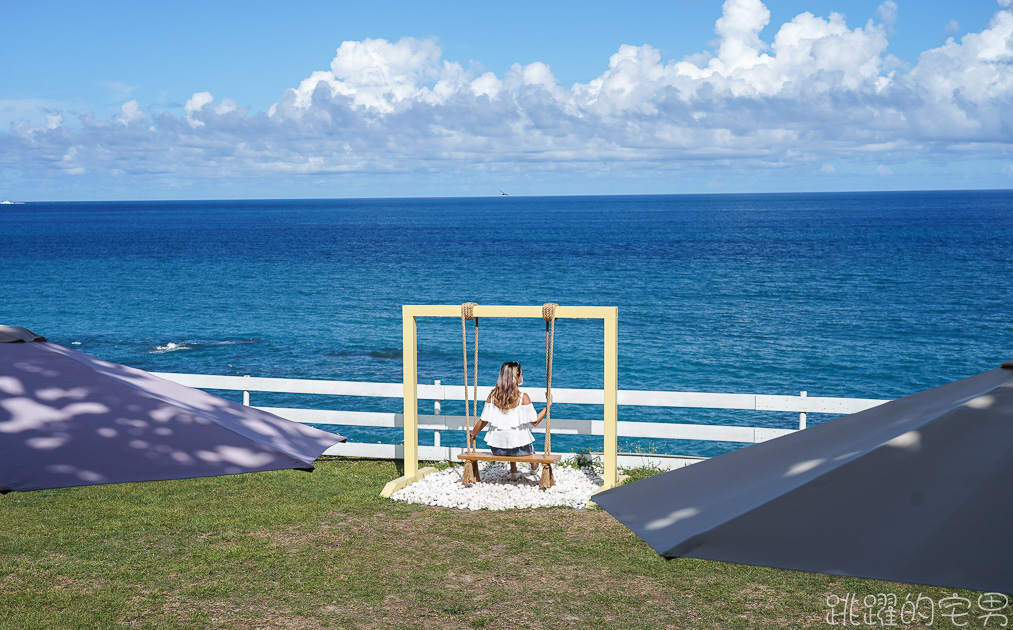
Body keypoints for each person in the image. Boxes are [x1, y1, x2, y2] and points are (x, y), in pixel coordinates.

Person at [468, 361, 552, 480]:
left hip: (497, 450)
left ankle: (514, 470)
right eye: (520, 374)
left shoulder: (492, 396)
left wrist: (472, 435)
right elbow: (535, 422)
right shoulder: (523, 397)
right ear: (516, 378)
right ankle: (534, 467)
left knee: (509, 437)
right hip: (520, 451)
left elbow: (483, 421)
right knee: (524, 442)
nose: (522, 377)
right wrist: (547, 406)